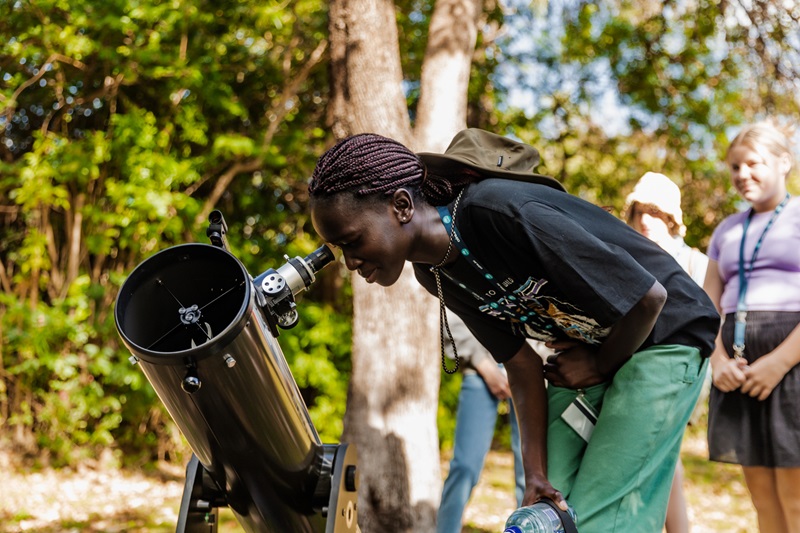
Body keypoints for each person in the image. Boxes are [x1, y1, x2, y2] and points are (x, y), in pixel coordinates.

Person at [308, 128, 719, 532]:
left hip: (665, 335)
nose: (349, 262)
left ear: (400, 205)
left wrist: (598, 363)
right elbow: (519, 363)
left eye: (352, 241)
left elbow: (649, 297)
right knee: (550, 513)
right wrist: (535, 473)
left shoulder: (500, 212)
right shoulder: (431, 272)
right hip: (590, 352)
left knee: (600, 520)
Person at [704, 120, 800, 533]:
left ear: (784, 163)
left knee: (796, 499)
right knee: (761, 500)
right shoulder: (727, 229)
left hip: (791, 363)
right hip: (737, 370)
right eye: (735, 167)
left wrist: (779, 363)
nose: (743, 175)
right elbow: (706, 306)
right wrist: (717, 360)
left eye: (753, 163)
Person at [624, 171, 710, 533]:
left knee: (664, 456)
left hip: (679, 373)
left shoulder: (695, 263)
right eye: (640, 211)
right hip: (631, 371)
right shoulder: (625, 257)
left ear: (671, 218)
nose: (645, 220)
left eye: (655, 212)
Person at [437, 309, 525, 533]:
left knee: (528, 469)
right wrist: (483, 365)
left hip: (531, 370)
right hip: (481, 369)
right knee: (464, 467)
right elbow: (451, 317)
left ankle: (528, 527)